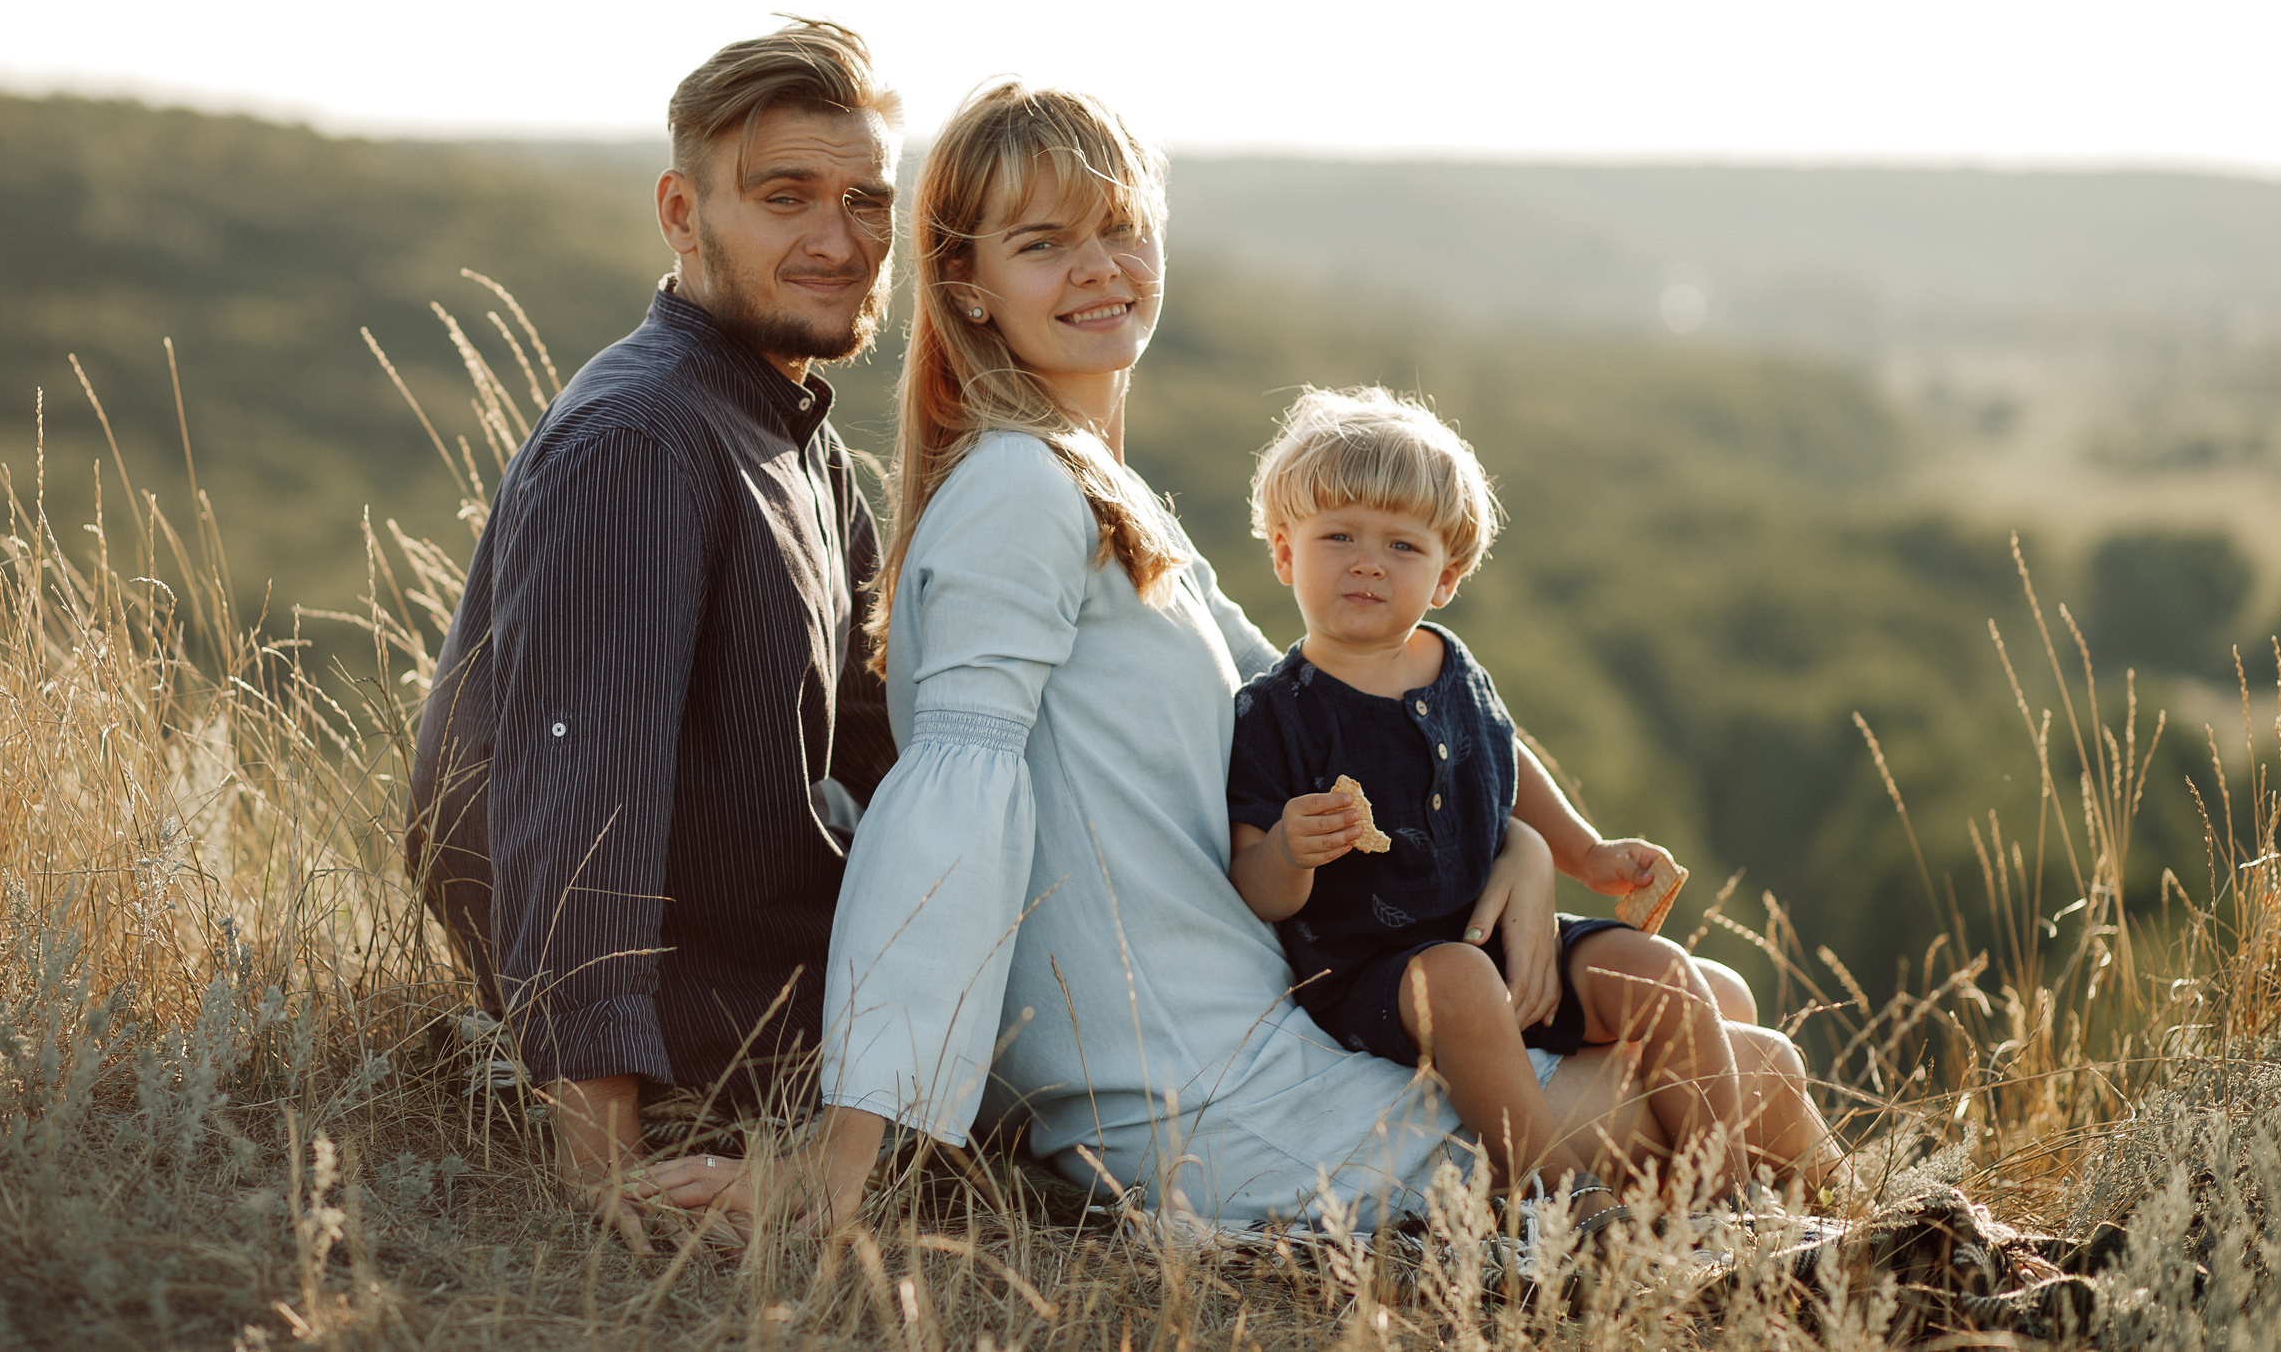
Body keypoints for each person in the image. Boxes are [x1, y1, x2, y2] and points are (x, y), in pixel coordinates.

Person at [642, 81, 1841, 1232]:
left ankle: (1889, 1256)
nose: (1100, 267)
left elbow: (1352, 709)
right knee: (1760, 1070)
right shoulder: (1016, 489)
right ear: (965, 280)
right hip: (1210, 1102)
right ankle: (1941, 1257)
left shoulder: (1103, 494)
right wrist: (837, 1160)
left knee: (1714, 1003)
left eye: (1120, 227)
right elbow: (948, 818)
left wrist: (1527, 849)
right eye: (1045, 242)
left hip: (1263, 1032)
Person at [407, 18, 903, 1231]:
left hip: (816, 992)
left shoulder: (796, 430)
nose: (837, 241)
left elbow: (879, 744)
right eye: (785, 198)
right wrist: (602, 1166)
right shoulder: (644, 442)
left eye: (865, 199)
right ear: (682, 212)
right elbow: (581, 797)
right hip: (719, 1050)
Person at [1225, 385, 1752, 1198]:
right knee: (1462, 982)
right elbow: (1255, 883)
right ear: (1286, 554)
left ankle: (1732, 1202)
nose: (1368, 560)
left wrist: (1588, 852)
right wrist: (1293, 848)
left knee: (1666, 973)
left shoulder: (1451, 664)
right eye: (1339, 536)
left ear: (1447, 575)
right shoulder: (1275, 712)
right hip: (1382, 976)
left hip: (1504, 937)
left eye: (1403, 546)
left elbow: (1507, 761)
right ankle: (1558, 1198)